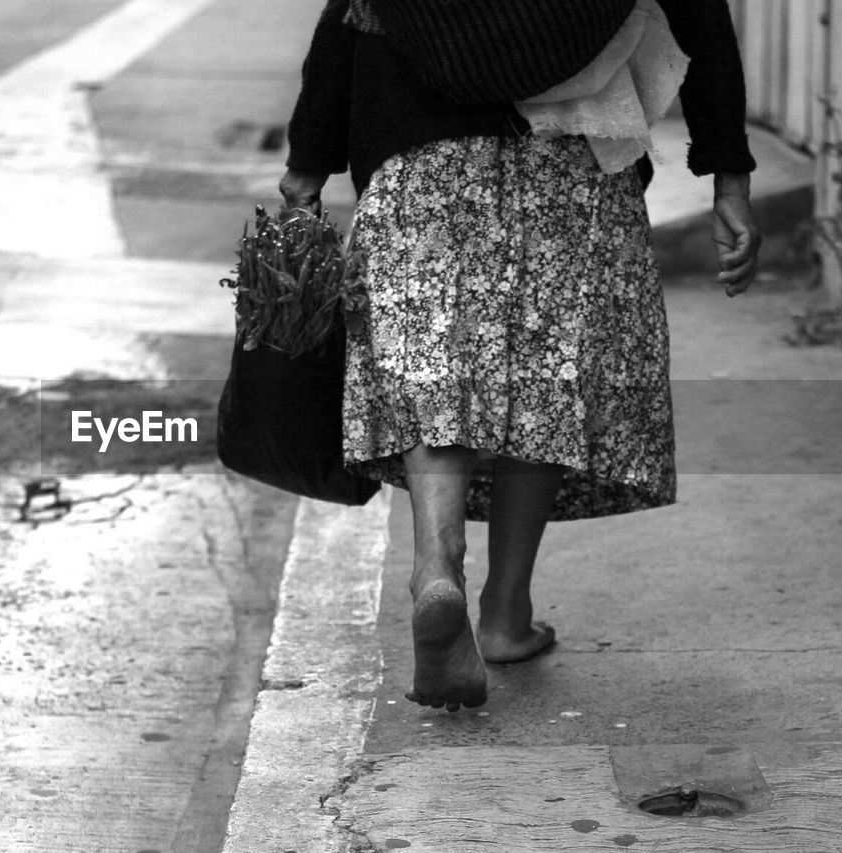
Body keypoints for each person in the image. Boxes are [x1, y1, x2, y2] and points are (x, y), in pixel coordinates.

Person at [280, 0, 761, 711]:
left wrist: (307, 168)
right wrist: (729, 174)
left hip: (421, 162)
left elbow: (343, 23)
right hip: (570, 160)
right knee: (545, 376)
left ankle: (436, 569)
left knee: (436, 370)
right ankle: (505, 614)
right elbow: (699, 16)